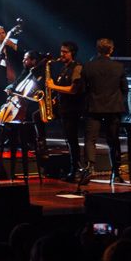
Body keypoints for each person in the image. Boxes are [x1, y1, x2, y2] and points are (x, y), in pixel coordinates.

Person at [80, 38, 127, 184]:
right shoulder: (119, 67)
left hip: (94, 107)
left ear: (97, 49)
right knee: (113, 140)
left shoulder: (88, 66)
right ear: (111, 50)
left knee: (90, 139)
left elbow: (83, 89)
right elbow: (125, 89)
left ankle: (88, 168)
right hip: (113, 108)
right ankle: (116, 173)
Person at [45, 41, 85, 180]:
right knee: (38, 116)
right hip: (64, 108)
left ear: (72, 53)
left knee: (72, 140)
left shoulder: (77, 67)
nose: (61, 54)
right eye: (61, 51)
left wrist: (53, 87)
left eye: (65, 52)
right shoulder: (64, 68)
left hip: (73, 109)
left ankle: (76, 169)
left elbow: (73, 90)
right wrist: (55, 98)